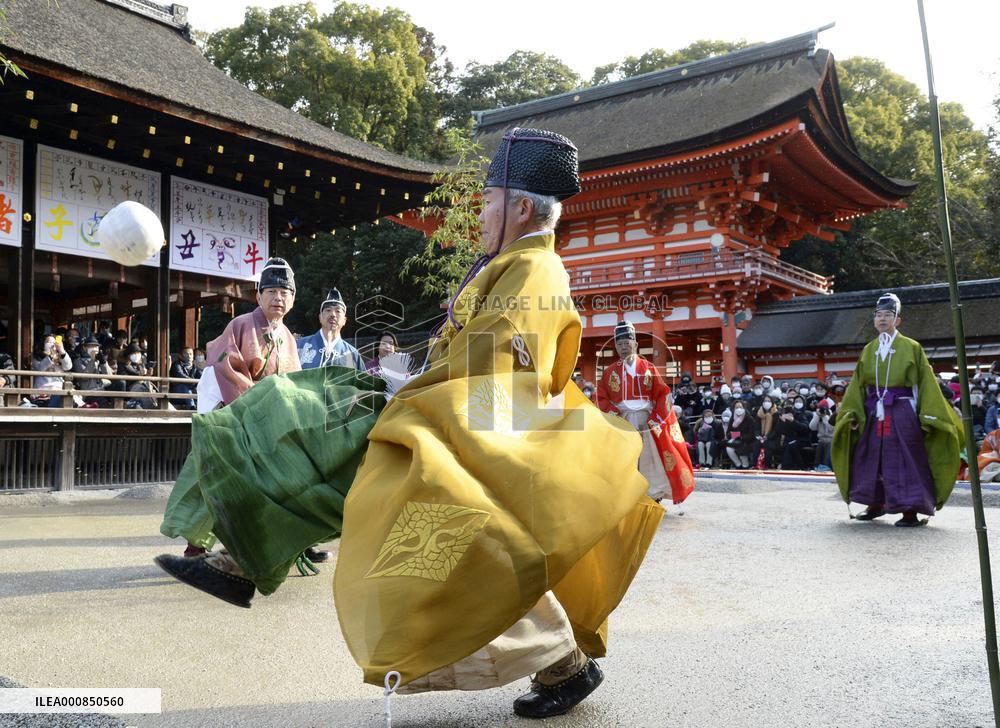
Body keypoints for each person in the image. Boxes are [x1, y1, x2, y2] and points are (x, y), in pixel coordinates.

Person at [334, 128, 663, 719]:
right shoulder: (510, 264)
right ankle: (553, 661)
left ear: (520, 207)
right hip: (478, 415)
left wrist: (418, 395)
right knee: (454, 537)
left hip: (493, 424)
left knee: (461, 533)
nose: (480, 215)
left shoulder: (534, 270)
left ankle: (561, 661)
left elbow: (498, 355)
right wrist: (413, 382)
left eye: (487, 202)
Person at [160, 257, 305, 557]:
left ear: (292, 299)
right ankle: (196, 546)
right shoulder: (240, 325)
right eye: (272, 291)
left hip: (270, 424)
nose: (278, 298)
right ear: (258, 296)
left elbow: (293, 385)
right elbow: (226, 369)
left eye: (285, 293)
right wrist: (259, 408)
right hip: (233, 416)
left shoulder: (288, 338)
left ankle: (288, 545)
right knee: (216, 480)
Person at [832, 293, 963, 526]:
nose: (882, 319)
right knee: (872, 458)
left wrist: (926, 416)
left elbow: (924, 384)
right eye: (878, 315)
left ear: (897, 320)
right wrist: (853, 413)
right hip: (874, 412)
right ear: (874, 320)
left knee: (906, 459)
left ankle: (910, 510)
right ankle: (875, 504)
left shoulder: (912, 347)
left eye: (888, 315)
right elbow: (858, 385)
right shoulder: (869, 349)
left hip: (902, 411)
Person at [596, 320, 694, 504]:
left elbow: (663, 394)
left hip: (647, 418)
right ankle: (624, 495)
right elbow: (601, 398)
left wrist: (655, 417)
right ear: (616, 347)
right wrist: (614, 415)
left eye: (627, 343)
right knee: (624, 457)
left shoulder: (649, 369)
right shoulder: (609, 372)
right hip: (622, 419)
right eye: (620, 344)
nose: (624, 347)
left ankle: (653, 494)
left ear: (636, 344)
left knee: (651, 457)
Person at [297, 288, 364, 371]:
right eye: (328, 310)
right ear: (320, 317)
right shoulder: (300, 345)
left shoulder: (352, 354)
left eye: (338, 311)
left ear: (344, 321)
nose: (333, 314)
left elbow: (361, 383)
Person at [30, 334, 72, 407]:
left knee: (68, 396)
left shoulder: (60, 355)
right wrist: (50, 357)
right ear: (43, 344)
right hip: (43, 390)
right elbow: (40, 369)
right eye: (49, 342)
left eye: (54, 342)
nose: (52, 344)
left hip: (59, 388)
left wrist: (62, 351)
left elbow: (68, 367)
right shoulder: (36, 357)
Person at [72, 336, 109, 407]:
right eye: (91, 346)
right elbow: (84, 377)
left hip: (102, 391)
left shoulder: (99, 360)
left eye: (96, 346)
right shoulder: (78, 361)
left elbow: (109, 376)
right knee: (102, 402)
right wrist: (92, 360)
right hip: (88, 393)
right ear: (84, 348)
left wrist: (103, 362)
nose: (94, 348)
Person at [725, 400, 758, 469]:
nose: (738, 409)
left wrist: (741, 436)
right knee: (729, 448)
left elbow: (752, 434)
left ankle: (745, 465)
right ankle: (738, 464)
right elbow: (728, 433)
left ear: (744, 408)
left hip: (747, 441)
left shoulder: (749, 419)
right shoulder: (732, 418)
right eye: (736, 407)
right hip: (735, 440)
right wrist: (735, 435)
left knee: (741, 446)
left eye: (740, 407)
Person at [809, 398, 836, 471]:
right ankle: (817, 467)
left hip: (830, 441)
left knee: (826, 458)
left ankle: (827, 468)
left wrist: (825, 417)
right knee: (818, 457)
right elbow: (812, 427)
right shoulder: (817, 416)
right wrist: (817, 416)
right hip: (821, 440)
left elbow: (831, 428)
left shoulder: (831, 416)